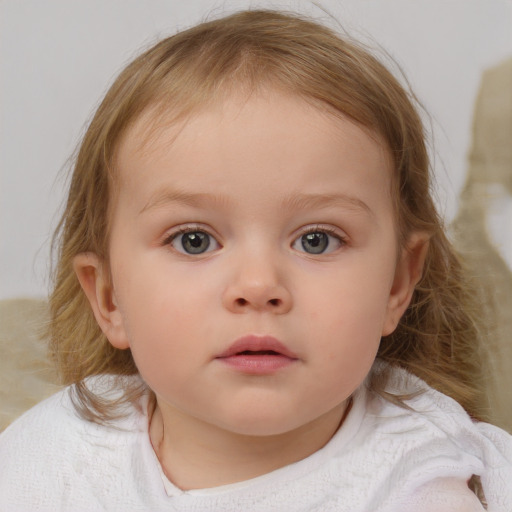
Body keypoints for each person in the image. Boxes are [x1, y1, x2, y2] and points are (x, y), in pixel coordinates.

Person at [0, 9, 510, 511]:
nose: (259, 285)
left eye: (317, 240)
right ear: (109, 298)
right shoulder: (55, 461)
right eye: (194, 240)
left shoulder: (416, 480)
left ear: (398, 283)